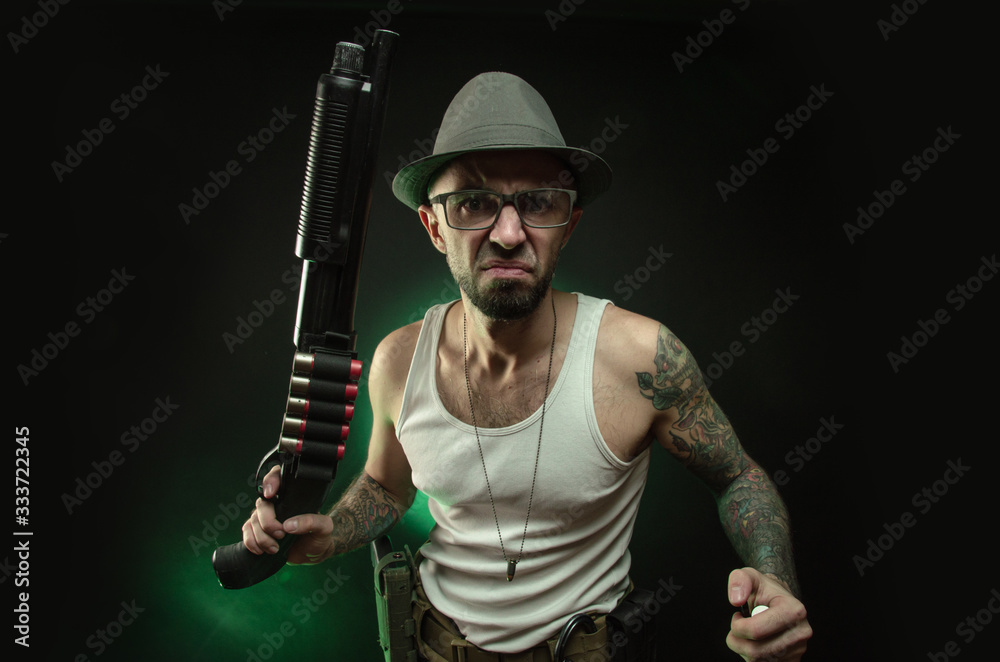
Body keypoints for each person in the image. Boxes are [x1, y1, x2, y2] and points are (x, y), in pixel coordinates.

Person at [242, 71, 812, 661]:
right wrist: (331, 533)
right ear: (434, 226)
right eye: (473, 202)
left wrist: (777, 582)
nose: (510, 233)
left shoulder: (642, 359)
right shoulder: (398, 361)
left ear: (569, 224)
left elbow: (737, 478)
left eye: (538, 203)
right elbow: (388, 486)